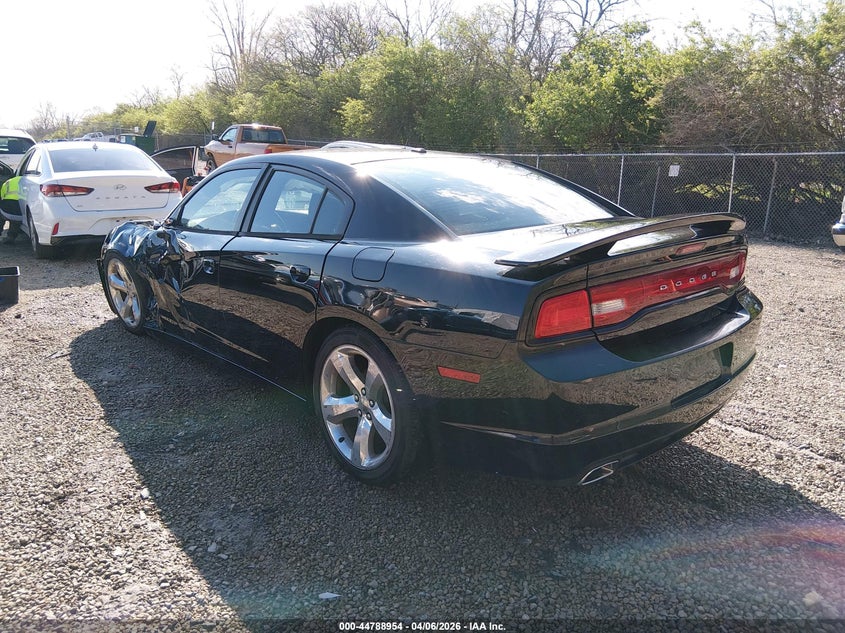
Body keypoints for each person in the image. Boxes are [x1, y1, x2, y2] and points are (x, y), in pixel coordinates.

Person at [0, 175, 23, 245]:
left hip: (6, 208)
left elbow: (1, 196)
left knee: (1, 217)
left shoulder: (7, 182)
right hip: (20, 208)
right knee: (16, 221)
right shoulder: (27, 182)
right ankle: (11, 236)